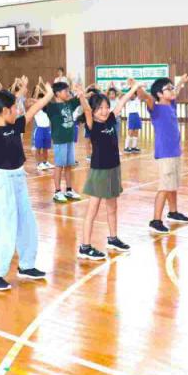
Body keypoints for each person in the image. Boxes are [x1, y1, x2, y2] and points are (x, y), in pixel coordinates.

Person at [0, 81, 53, 291]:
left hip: (19, 178)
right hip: (4, 181)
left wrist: (48, 95)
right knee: (5, 227)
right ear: (6, 111)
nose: (18, 111)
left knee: (27, 223)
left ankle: (26, 265)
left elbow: (33, 110)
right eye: (15, 108)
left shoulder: (15, 125)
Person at [78, 81, 140, 260]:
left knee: (113, 206)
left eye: (106, 107)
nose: (104, 111)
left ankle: (113, 239)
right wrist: (82, 96)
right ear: (93, 111)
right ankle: (85, 246)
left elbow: (122, 102)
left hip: (114, 168)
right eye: (100, 108)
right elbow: (87, 110)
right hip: (99, 171)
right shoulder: (92, 125)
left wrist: (134, 88)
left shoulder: (111, 119)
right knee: (93, 209)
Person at [136, 74, 188, 234]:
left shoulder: (171, 104)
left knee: (172, 185)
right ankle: (156, 220)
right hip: (165, 153)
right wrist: (137, 87)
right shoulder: (156, 108)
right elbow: (146, 97)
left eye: (172, 88)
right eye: (168, 89)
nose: (173, 90)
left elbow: (176, 91)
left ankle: (173, 212)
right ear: (159, 94)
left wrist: (180, 83)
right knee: (165, 187)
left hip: (175, 151)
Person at [45, 81, 86, 203]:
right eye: (65, 91)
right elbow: (40, 103)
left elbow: (80, 98)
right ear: (57, 93)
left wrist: (80, 91)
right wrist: (48, 92)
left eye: (68, 90)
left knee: (68, 165)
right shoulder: (52, 107)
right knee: (59, 166)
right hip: (60, 140)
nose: (68, 93)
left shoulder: (69, 103)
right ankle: (57, 191)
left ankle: (69, 189)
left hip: (69, 139)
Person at [31, 79, 53, 170]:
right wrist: (37, 87)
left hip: (47, 129)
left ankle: (45, 162)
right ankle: (39, 163)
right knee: (38, 148)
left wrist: (43, 84)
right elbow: (33, 98)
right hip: (39, 129)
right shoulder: (36, 107)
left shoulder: (47, 107)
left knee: (46, 148)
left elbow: (48, 96)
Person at [124, 89, 142, 154]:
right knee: (130, 131)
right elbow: (122, 94)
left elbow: (140, 92)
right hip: (131, 116)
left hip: (137, 116)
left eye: (133, 94)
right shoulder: (127, 100)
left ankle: (134, 147)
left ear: (135, 95)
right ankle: (126, 147)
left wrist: (136, 87)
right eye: (130, 94)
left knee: (136, 131)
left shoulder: (138, 99)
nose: (131, 95)